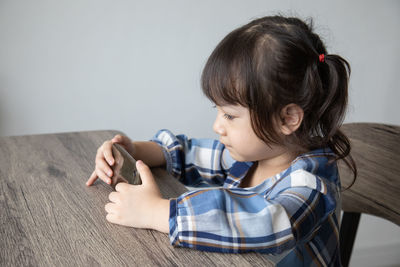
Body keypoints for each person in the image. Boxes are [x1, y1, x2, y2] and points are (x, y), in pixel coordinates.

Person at [86, 15, 356, 266]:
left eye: (229, 115)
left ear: (287, 119)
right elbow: (190, 154)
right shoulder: (256, 154)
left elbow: (267, 223)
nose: (217, 126)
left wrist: (158, 213)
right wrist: (136, 151)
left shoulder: (312, 186)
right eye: (217, 111)